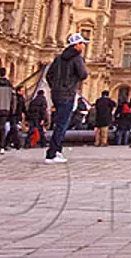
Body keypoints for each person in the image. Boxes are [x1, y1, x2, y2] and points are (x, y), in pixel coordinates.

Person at [45, 33, 88, 163]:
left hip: (56, 94)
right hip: (67, 94)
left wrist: (55, 87)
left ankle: (56, 151)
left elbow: (48, 76)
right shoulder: (77, 58)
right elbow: (83, 74)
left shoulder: (58, 58)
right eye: (81, 44)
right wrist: (69, 86)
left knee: (59, 123)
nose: (83, 46)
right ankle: (52, 153)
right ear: (76, 45)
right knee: (62, 125)